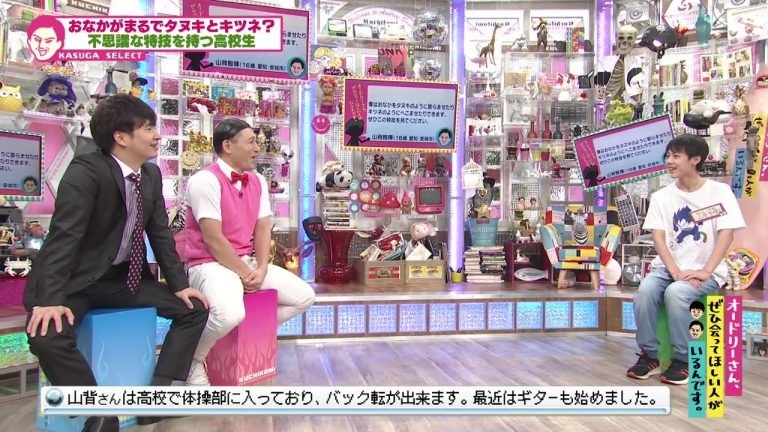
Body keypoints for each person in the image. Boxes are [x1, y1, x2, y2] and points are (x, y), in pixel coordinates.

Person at [23, 94, 209, 431]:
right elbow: (65, 237)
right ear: (121, 137)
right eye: (148, 128)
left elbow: (160, 233)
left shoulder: (150, 174)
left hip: (122, 280)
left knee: (194, 309)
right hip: (74, 281)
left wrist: (180, 285)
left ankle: (158, 395)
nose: (157, 135)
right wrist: (49, 299)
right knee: (46, 336)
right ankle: (99, 413)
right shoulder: (85, 171)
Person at [184, 118, 315, 386]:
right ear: (227, 146)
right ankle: (192, 361)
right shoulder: (204, 180)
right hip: (208, 263)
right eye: (251, 142)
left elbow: (263, 227)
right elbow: (213, 239)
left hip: (247, 261)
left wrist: (262, 268)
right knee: (229, 314)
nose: (257, 148)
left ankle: (244, 333)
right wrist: (246, 273)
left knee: (304, 297)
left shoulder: (257, 181)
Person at [627, 134, 745, 385]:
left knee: (677, 293)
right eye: (668, 155)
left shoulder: (720, 192)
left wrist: (707, 271)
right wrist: (675, 271)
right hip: (668, 268)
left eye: (676, 156)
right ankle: (650, 354)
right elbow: (658, 237)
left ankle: (684, 359)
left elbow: (727, 235)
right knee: (645, 292)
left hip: (707, 270)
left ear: (695, 159)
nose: (669, 161)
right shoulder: (661, 196)